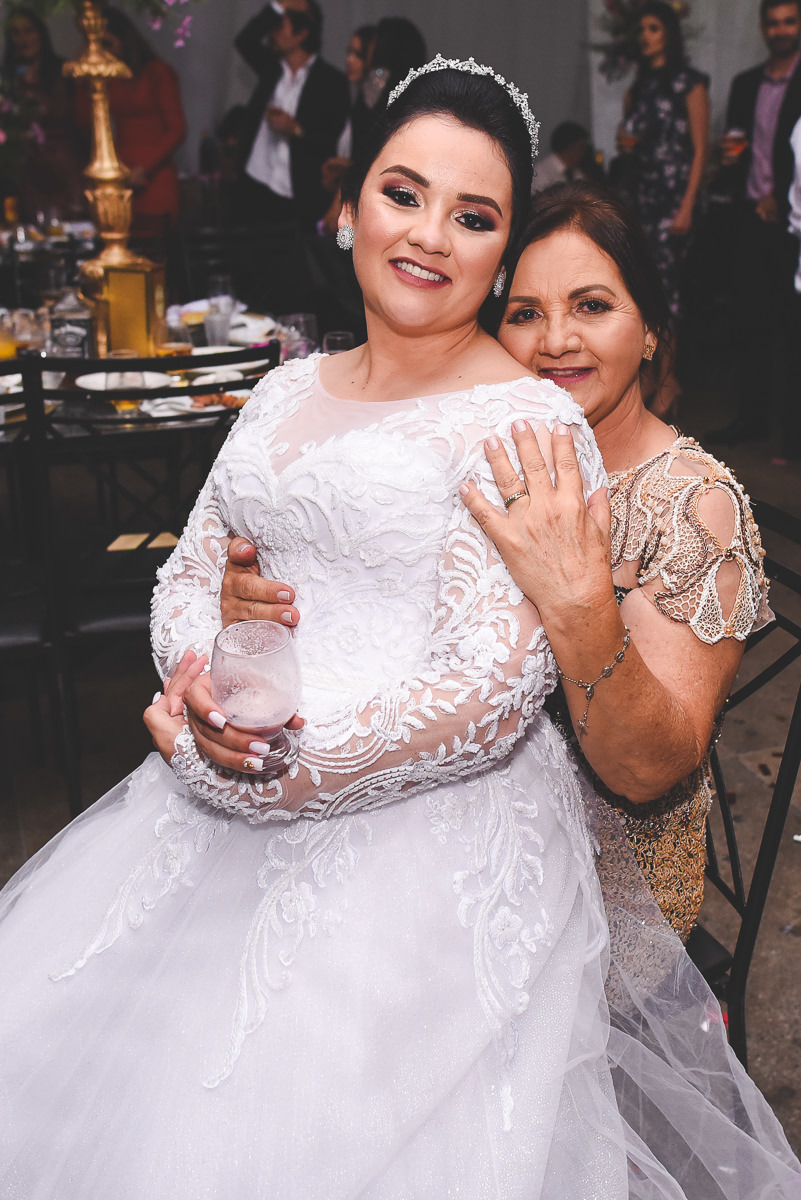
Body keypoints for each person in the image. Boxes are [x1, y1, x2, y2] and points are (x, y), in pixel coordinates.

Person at [1, 59, 799, 1199]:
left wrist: (273, 771)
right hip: (232, 772)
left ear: (500, 245)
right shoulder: (284, 390)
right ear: (346, 205)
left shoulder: (525, 422)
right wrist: (195, 681)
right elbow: (190, 567)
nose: (429, 234)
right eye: (402, 193)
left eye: (473, 216)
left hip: (421, 841)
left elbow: (489, 689)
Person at [217, 180, 768, 946]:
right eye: (524, 314)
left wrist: (575, 598)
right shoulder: (464, 457)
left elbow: (646, 772)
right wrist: (259, 605)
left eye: (592, 306)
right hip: (420, 823)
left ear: (649, 332)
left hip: (598, 894)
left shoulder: (689, 503)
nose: (555, 342)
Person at [708, 0, 801, 453]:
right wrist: (729, 161)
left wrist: (780, 200)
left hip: (792, 223)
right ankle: (752, 420)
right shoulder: (745, 83)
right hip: (748, 218)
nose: (781, 30)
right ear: (763, 28)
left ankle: (792, 433)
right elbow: (740, 148)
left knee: (792, 326)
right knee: (750, 322)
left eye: (790, 21)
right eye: (774, 22)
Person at [616, 0, 708, 417]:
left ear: (669, 33)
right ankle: (650, 377)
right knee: (642, 291)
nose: (645, 36)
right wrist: (624, 142)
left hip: (674, 198)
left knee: (667, 293)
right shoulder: (638, 87)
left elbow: (701, 150)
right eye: (641, 30)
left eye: (653, 28)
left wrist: (688, 204)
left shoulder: (690, 83)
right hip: (642, 196)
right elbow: (628, 139)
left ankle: (670, 382)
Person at [234, 0, 350, 230]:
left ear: (301, 34)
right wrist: (277, 6)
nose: (273, 30)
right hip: (253, 185)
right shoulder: (272, 67)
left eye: (282, 24)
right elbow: (244, 40)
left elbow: (331, 141)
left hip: (297, 199)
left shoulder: (332, 82)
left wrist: (296, 129)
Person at [76, 7, 187, 229]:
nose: (104, 52)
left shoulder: (156, 72)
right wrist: (84, 76)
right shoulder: (106, 79)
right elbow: (83, 121)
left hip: (152, 177)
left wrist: (144, 168)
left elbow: (177, 129)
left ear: (124, 41)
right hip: (117, 180)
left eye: (108, 44)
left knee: (155, 254)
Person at [1, 6, 84, 221]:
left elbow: (77, 118)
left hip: (66, 167)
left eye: (28, 31)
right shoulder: (8, 77)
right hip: (26, 171)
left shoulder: (63, 70)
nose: (22, 39)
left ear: (40, 33)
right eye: (16, 33)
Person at [318, 22, 377, 235]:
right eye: (349, 52)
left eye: (358, 55)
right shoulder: (355, 103)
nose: (349, 60)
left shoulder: (373, 110)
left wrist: (347, 169)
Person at [532, 120, 589, 192]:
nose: (583, 153)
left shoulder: (576, 172)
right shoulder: (541, 171)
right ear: (570, 148)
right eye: (581, 148)